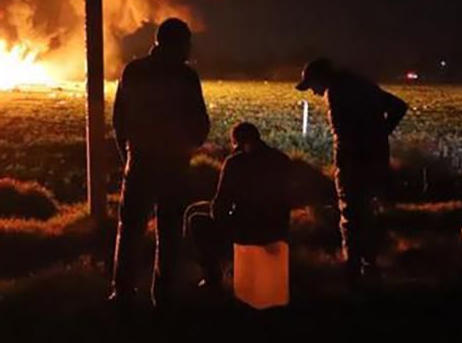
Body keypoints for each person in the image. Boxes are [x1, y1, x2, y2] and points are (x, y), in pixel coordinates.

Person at [109, 17, 210, 309]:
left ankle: (123, 294)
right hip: (174, 164)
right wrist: (190, 148)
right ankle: (164, 295)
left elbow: (120, 120)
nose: (190, 49)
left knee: (129, 230)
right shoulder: (186, 77)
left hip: (140, 161)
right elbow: (199, 122)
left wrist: (127, 156)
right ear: (178, 44)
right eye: (187, 43)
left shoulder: (134, 71)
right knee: (169, 231)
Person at [296, 58, 408, 280]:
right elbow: (398, 106)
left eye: (312, 85)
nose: (314, 92)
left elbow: (344, 136)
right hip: (376, 160)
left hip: (353, 164)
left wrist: (346, 160)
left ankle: (353, 268)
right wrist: (381, 134)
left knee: (351, 214)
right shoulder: (361, 84)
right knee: (368, 212)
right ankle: (370, 265)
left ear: (321, 78)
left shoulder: (336, 93)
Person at [185, 122, 293, 289]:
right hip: (277, 229)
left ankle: (212, 277)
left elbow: (220, 206)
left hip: (246, 230)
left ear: (236, 142)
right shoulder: (282, 160)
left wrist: (218, 213)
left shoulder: (236, 162)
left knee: (195, 219)